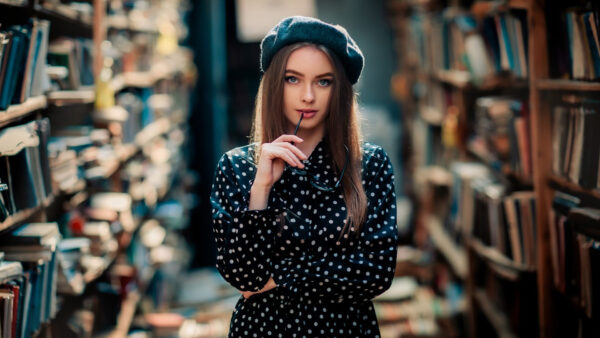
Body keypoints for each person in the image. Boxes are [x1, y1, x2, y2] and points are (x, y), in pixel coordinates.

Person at [210, 16, 398, 337]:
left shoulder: (370, 164)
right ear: (273, 84)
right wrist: (262, 187)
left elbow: (376, 272)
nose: (308, 96)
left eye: (323, 81)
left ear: (339, 90)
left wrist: (281, 278)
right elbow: (245, 280)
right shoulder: (237, 166)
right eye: (292, 79)